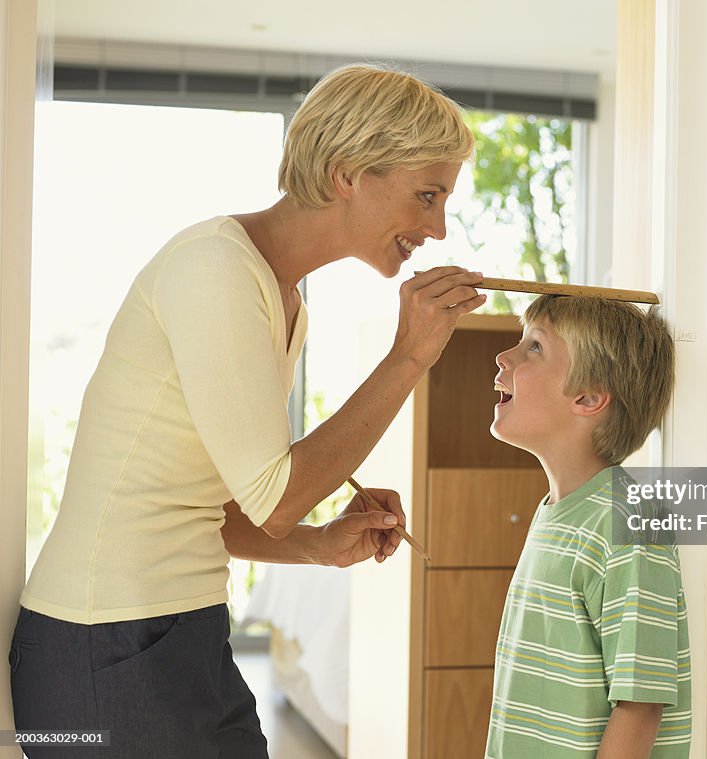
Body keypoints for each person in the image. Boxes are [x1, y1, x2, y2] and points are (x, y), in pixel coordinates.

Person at [8, 64, 486, 758]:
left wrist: (321, 544)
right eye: (427, 194)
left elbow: (224, 508)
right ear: (349, 171)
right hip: (105, 641)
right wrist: (409, 356)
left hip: (171, 633)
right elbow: (276, 498)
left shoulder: (281, 296)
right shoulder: (216, 270)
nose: (438, 227)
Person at [486, 295, 690, 758]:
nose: (504, 357)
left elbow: (641, 702)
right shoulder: (557, 514)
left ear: (589, 397)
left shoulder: (631, 520)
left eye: (534, 347)